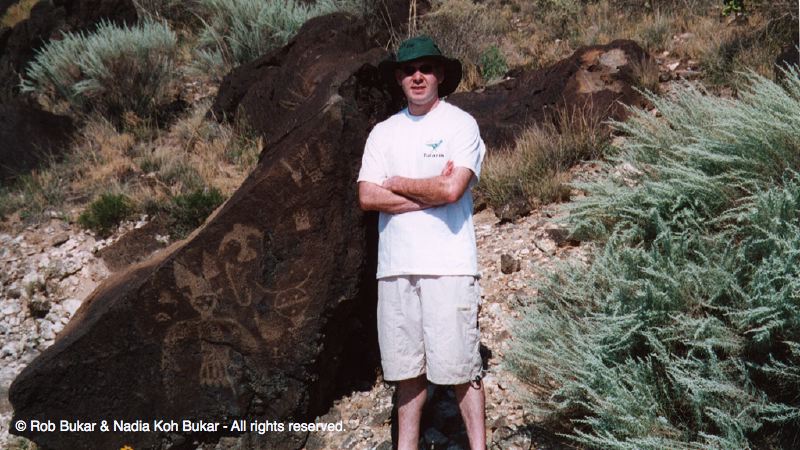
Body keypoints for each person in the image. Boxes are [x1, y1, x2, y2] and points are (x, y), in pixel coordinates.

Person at [356, 35, 487, 450]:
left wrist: (396, 184)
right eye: (409, 70)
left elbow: (452, 190)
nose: (418, 76)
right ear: (398, 78)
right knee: (406, 370)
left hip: (448, 265)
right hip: (395, 267)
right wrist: (425, 193)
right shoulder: (383, 133)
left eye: (426, 68)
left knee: (462, 367)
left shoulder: (460, 124)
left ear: (440, 74)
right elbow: (366, 196)